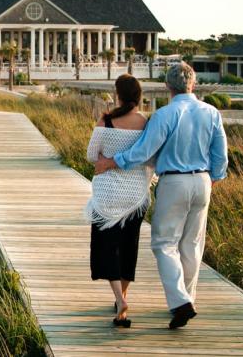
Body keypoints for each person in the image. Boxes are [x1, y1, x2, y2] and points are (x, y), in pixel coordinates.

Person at [95, 62, 228, 329]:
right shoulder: (212, 112)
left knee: (164, 243)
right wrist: (213, 178)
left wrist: (112, 161)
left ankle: (181, 302)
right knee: (191, 245)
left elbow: (144, 151)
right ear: (193, 84)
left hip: (173, 181)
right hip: (203, 180)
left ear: (168, 86)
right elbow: (221, 155)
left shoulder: (165, 115)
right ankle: (187, 299)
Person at [85, 74, 154, 328]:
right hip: (135, 194)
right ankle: (122, 299)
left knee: (106, 246)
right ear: (139, 96)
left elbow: (92, 154)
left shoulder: (107, 120)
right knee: (128, 247)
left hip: (107, 194)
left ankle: (118, 298)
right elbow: (149, 158)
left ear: (118, 95)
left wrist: (107, 156)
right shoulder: (146, 123)